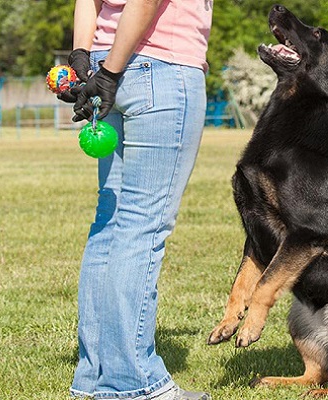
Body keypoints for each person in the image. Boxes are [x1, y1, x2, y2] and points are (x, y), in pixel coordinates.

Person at [59, 1, 213, 399]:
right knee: (142, 225)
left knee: (110, 222)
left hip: (105, 62)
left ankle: (93, 379)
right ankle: (133, 382)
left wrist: (84, 59)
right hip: (158, 66)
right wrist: (110, 71)